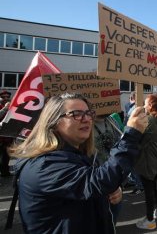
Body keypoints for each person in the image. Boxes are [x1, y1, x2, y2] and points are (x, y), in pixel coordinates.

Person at [9, 93, 148, 233]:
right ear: (54, 121)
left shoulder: (76, 155)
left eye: (88, 113)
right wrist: (131, 135)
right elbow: (97, 181)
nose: (86, 119)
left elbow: (88, 188)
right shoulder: (44, 165)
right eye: (76, 114)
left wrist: (108, 192)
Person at [135, 94, 157, 230]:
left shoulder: (149, 120)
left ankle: (150, 220)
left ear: (150, 106)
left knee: (149, 190)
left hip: (148, 160)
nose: (143, 106)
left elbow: (138, 140)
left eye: (145, 103)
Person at [93, 113, 123, 223]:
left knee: (113, 217)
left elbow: (120, 145)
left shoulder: (111, 120)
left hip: (114, 179)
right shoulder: (84, 122)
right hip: (95, 181)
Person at [0, 90, 13, 177]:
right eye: (3, 97)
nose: (6, 98)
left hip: (8, 136)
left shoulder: (12, 107)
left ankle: (5, 172)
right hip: (0, 136)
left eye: (7, 97)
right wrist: (5, 108)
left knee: (6, 155)